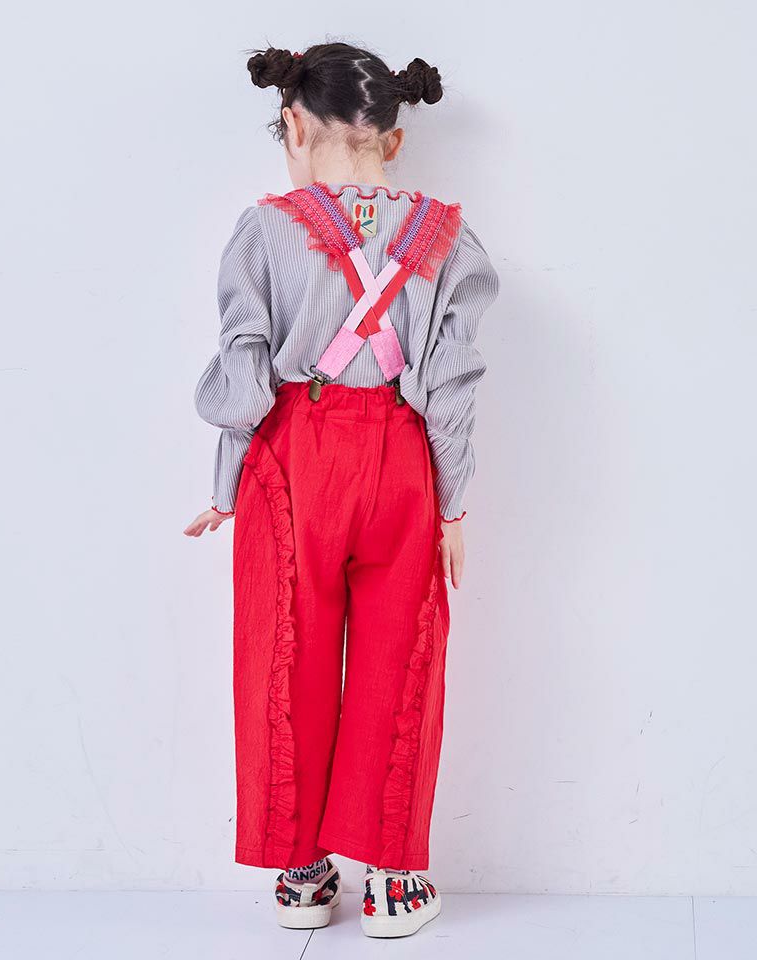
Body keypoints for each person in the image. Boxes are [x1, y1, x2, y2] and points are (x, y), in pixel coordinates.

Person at [184, 42, 499, 939]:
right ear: (393, 139)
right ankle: (394, 879)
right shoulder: (447, 236)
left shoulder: (265, 231)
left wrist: (227, 485)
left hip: (294, 459)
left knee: (286, 652)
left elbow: (245, 368)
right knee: (404, 655)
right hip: (403, 457)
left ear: (293, 125)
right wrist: (452, 505)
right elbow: (453, 383)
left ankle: (301, 874)